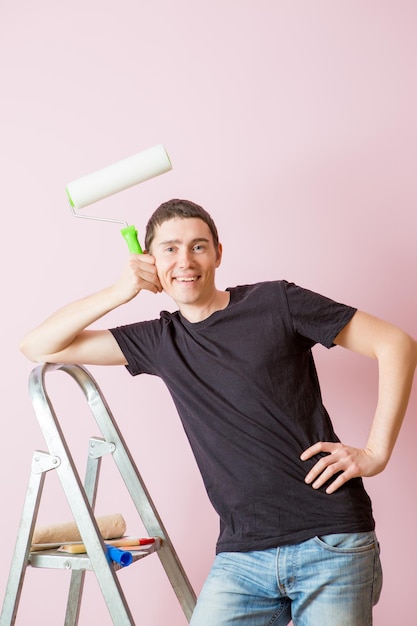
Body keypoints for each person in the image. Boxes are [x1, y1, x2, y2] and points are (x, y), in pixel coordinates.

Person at [20, 198, 416, 626]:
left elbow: (395, 344)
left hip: (330, 540)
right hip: (241, 556)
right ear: (150, 261)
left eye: (198, 246)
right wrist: (120, 292)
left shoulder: (276, 302)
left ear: (218, 253)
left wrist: (376, 452)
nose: (185, 261)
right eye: (169, 249)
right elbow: (38, 345)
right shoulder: (159, 340)